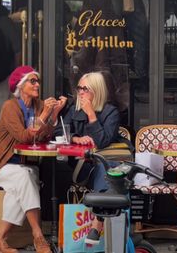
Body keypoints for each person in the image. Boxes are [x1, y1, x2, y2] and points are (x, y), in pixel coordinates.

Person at [0, 65, 67, 253]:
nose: (37, 85)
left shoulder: (39, 106)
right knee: (24, 179)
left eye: (38, 81)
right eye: (32, 81)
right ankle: (38, 235)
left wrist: (54, 114)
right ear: (21, 85)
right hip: (3, 166)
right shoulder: (10, 107)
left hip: (27, 166)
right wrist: (44, 115)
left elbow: (45, 137)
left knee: (21, 184)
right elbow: (24, 137)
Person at [54, 71, 125, 245]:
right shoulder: (74, 109)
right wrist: (76, 138)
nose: (80, 92)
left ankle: (97, 223)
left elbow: (102, 141)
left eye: (85, 88)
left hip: (103, 163)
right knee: (108, 168)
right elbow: (58, 133)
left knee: (106, 164)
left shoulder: (111, 112)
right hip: (81, 165)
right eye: (79, 88)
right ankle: (100, 220)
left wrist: (92, 115)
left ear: (97, 90)